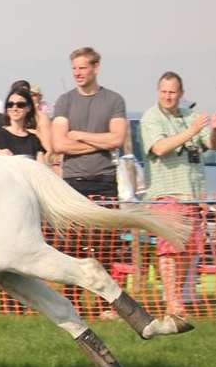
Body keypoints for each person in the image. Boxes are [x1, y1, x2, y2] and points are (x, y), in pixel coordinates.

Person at [51, 47, 127, 311]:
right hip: (73, 182)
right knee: (72, 246)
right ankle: (73, 302)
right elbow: (59, 143)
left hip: (104, 179)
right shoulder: (65, 101)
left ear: (95, 67)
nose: (77, 73)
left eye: (82, 68)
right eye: (74, 69)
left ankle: (106, 304)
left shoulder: (114, 100)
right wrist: (100, 142)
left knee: (105, 246)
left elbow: (117, 139)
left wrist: (80, 135)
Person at [141, 71, 216, 316]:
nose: (167, 96)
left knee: (188, 251)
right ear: (157, 91)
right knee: (169, 248)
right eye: (163, 91)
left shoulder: (190, 116)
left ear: (181, 94)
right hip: (166, 194)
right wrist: (192, 131)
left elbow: (211, 144)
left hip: (192, 195)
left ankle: (177, 300)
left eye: (172, 92)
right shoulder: (151, 118)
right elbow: (160, 148)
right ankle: (172, 302)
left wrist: (213, 129)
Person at [0, 88, 46, 163]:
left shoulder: (34, 139)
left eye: (20, 105)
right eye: (10, 105)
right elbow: (7, 164)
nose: (14, 108)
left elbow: (41, 166)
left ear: (28, 108)